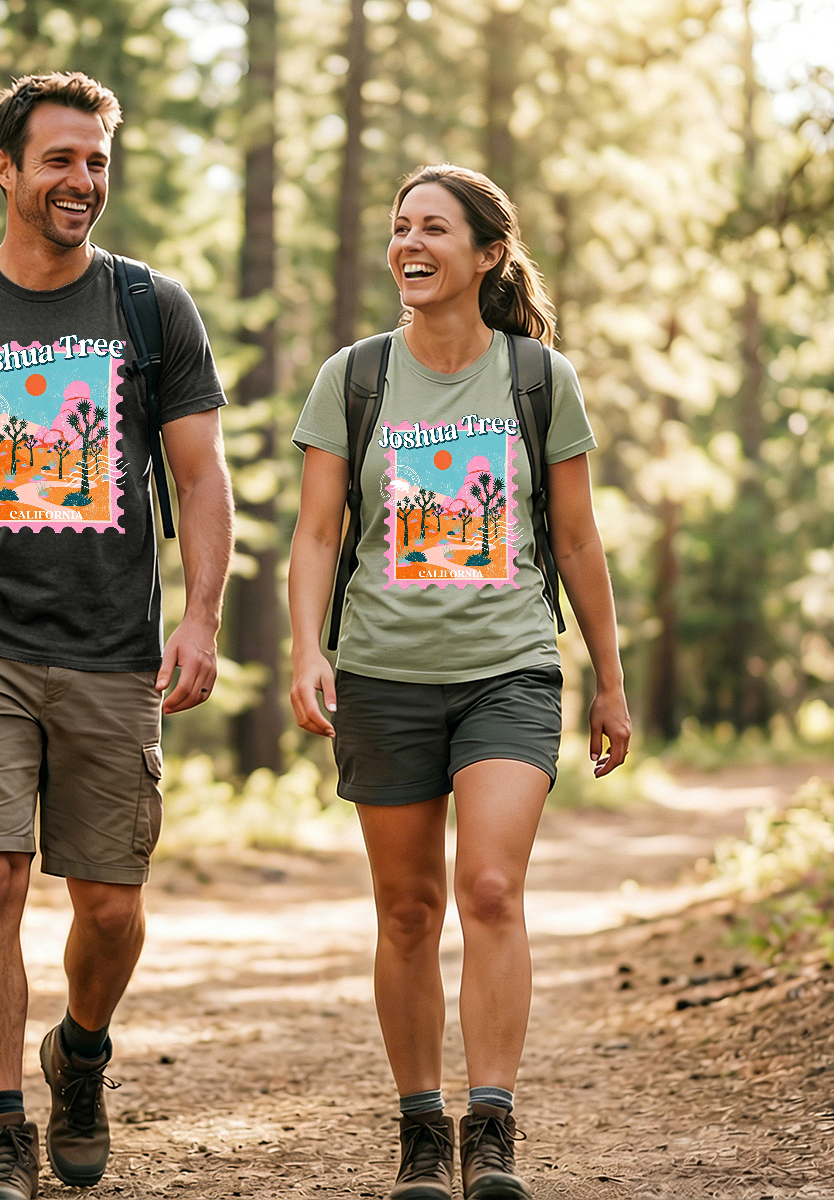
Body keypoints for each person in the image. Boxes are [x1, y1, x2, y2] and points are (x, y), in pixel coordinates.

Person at [0, 72, 234, 1200]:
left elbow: (202, 478)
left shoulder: (152, 309)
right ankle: (1, 1127)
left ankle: (81, 1053)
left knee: (110, 907)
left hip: (114, 645)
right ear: (7, 170)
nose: (83, 182)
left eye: (97, 162)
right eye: (60, 160)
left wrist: (201, 617)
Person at [288, 164, 630, 1200]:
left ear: (488, 255)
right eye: (399, 227)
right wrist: (308, 649)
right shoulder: (354, 377)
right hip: (384, 674)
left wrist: (610, 681)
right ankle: (420, 1132)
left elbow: (576, 539)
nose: (409, 244)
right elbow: (314, 536)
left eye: (433, 228)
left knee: (489, 888)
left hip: (509, 670)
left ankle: (492, 1126)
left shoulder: (537, 377)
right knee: (405, 909)